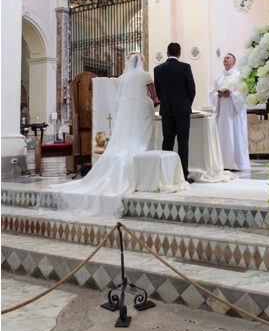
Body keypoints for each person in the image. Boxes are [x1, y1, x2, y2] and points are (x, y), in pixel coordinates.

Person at [45, 53, 185, 216]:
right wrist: (156, 100)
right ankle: (146, 172)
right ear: (141, 62)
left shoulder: (123, 78)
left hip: (128, 109)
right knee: (143, 138)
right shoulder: (146, 75)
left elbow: (119, 97)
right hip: (144, 110)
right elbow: (154, 96)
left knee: (130, 138)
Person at [155, 42, 197, 183]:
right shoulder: (185, 67)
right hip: (182, 110)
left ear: (167, 53)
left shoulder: (158, 69)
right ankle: (183, 175)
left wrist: (166, 102)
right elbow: (192, 89)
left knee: (167, 141)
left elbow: (158, 92)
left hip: (166, 110)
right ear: (179, 53)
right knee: (182, 142)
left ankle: (165, 175)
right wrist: (186, 104)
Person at [209, 53, 250, 172]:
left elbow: (243, 92)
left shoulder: (239, 76)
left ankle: (237, 164)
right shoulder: (219, 77)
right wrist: (218, 94)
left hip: (234, 111)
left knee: (235, 135)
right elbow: (212, 91)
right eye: (224, 58)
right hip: (222, 111)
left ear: (233, 62)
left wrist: (231, 94)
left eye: (228, 58)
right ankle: (223, 163)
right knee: (223, 136)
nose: (225, 59)